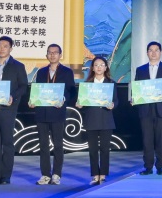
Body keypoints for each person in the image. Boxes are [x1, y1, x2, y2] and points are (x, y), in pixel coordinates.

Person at [0, 36, 29, 184]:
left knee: (8, 143)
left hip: (8, 109)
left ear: (11, 48)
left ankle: (6, 176)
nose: (2, 48)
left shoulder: (18, 66)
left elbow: (23, 86)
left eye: (5, 46)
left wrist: (12, 96)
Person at [30, 43, 75, 185]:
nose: (52, 55)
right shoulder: (41, 72)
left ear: (60, 55)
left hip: (57, 112)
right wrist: (33, 101)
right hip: (42, 113)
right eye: (50, 52)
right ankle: (45, 174)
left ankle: (56, 174)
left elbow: (72, 91)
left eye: (55, 52)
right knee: (43, 145)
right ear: (46, 55)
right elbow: (37, 91)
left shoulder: (67, 72)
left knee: (58, 145)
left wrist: (64, 99)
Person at [133, 41, 162, 175]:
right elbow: (136, 89)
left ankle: (160, 166)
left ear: (160, 52)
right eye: (150, 50)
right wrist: (134, 97)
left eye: (156, 50)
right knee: (147, 140)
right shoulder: (140, 70)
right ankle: (148, 167)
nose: (153, 53)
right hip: (145, 109)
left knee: (161, 140)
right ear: (147, 53)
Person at [83, 56, 118, 185]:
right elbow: (83, 102)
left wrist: (113, 105)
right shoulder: (87, 84)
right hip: (91, 119)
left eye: (101, 65)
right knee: (92, 150)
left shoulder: (111, 83)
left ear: (106, 67)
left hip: (106, 119)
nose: (99, 67)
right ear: (92, 68)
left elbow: (116, 100)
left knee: (104, 149)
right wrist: (80, 104)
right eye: (96, 65)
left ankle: (103, 174)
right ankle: (95, 175)